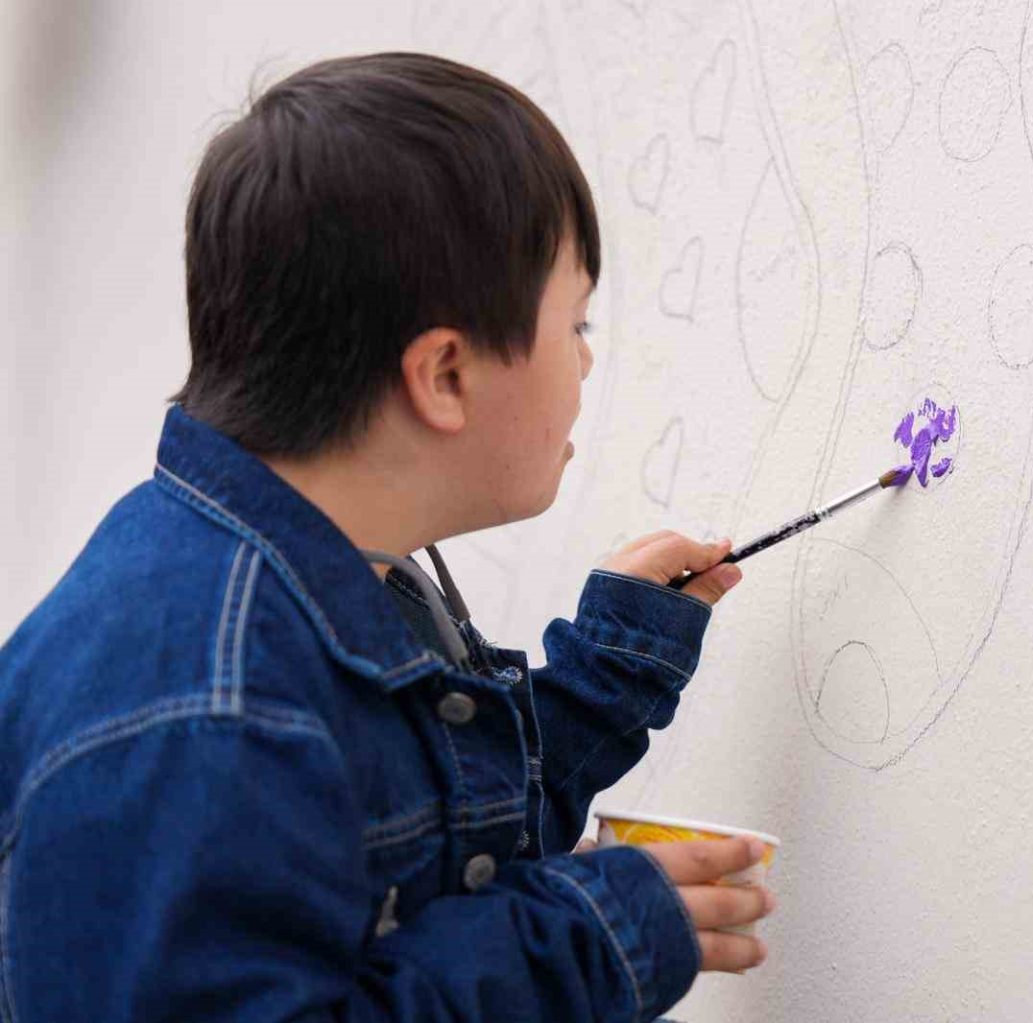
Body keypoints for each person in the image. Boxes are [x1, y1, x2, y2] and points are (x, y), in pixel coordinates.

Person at [0, 52, 773, 1022]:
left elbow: (430, 838)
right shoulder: (209, 714)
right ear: (444, 376)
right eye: (576, 325)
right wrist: (580, 940)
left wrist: (607, 672)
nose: (585, 363)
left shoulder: (321, 581)